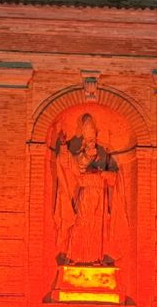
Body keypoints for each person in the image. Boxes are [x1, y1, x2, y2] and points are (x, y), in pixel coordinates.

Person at [53, 113, 128, 265]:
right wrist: (62, 145)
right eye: (88, 138)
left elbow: (115, 177)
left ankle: (96, 257)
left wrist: (102, 173)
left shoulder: (104, 153)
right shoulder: (80, 156)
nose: (90, 141)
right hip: (85, 193)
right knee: (80, 223)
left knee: (96, 228)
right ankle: (74, 256)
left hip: (100, 195)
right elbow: (67, 164)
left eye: (92, 136)